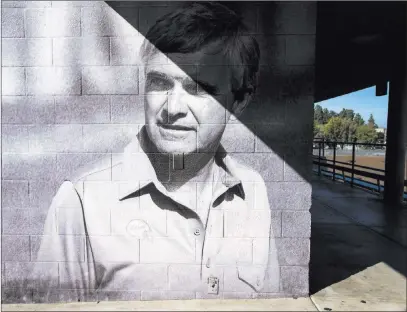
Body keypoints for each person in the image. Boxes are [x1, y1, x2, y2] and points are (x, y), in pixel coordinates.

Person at [32, 2, 279, 301]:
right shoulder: (81, 203)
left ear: (239, 101)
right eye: (160, 83)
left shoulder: (253, 193)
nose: (172, 108)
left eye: (198, 88)